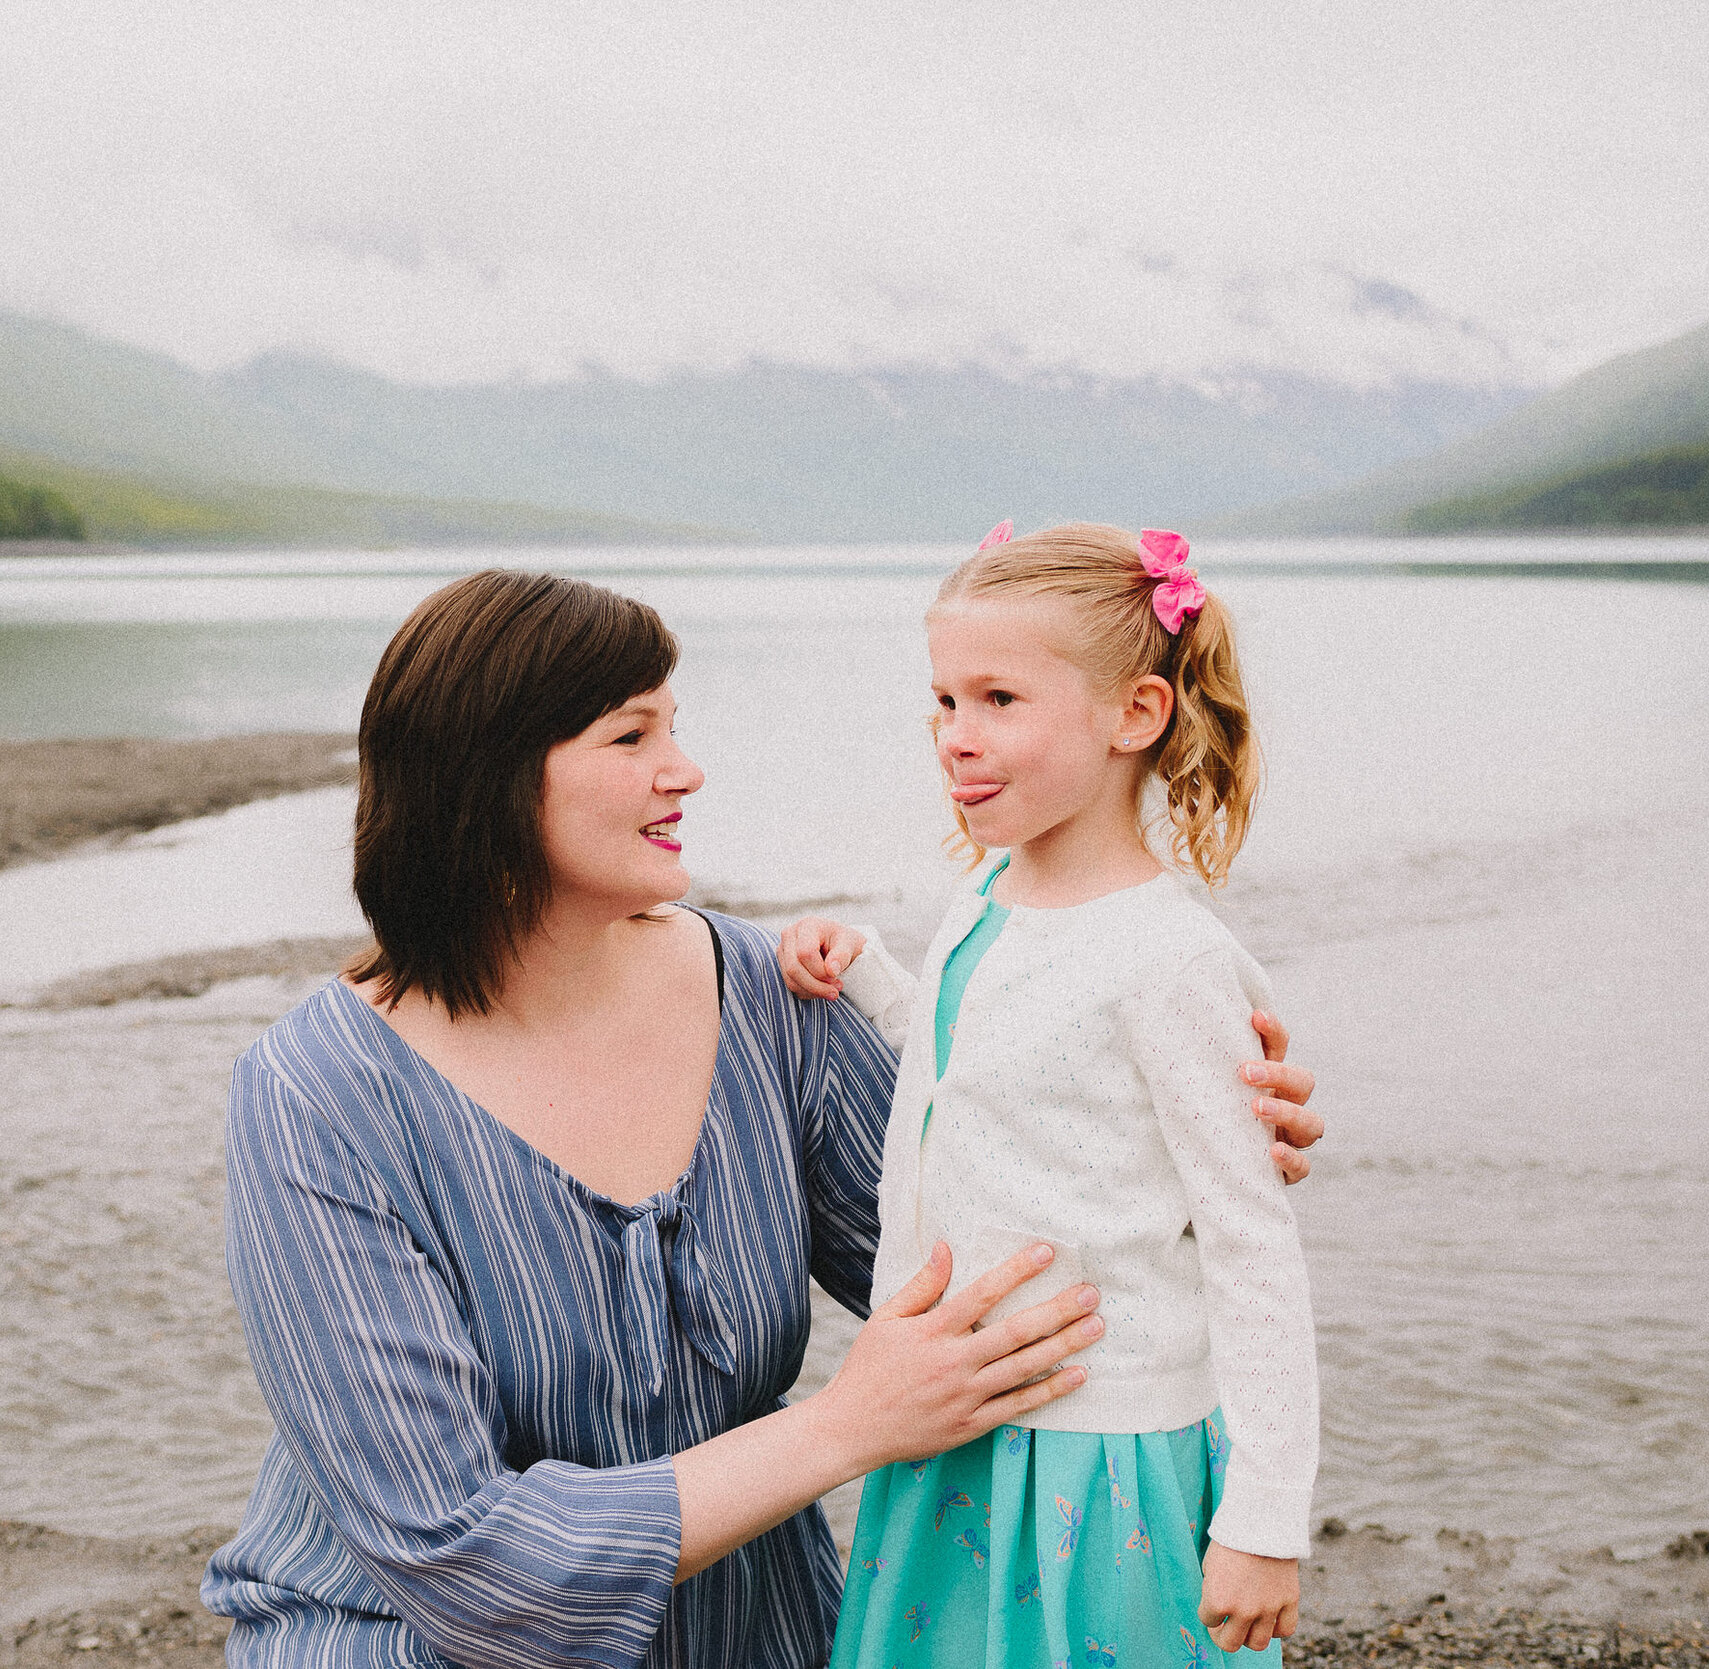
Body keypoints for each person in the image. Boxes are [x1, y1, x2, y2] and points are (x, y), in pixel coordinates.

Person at [200, 567, 1323, 1668]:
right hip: (413, 1643)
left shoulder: (774, 1001)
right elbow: (458, 1563)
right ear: (484, 777)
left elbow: (982, 1253)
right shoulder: (316, 1097)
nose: (685, 771)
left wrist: (1171, 1142)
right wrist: (848, 1424)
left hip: (747, 1628)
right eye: (631, 737)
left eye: (673, 729)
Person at [775, 522, 1314, 1669]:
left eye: (998, 699)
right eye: (944, 701)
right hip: (952, 1410)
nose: (953, 738)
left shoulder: (1171, 960)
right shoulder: (987, 892)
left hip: (1099, 1443)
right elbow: (986, 1057)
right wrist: (868, 972)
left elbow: (1251, 1245)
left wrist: (1266, 1517)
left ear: (1135, 715)